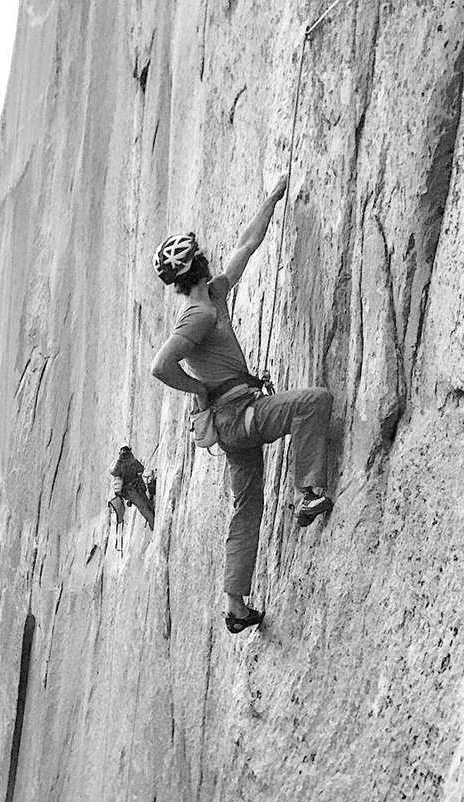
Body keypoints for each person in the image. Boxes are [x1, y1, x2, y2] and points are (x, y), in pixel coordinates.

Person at [150, 175, 334, 634]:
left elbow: (248, 245)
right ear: (199, 262)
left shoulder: (213, 294)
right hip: (237, 414)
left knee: (247, 507)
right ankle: (309, 493)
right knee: (314, 402)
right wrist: (198, 389)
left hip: (232, 420)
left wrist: (271, 199)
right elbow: (161, 365)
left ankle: (236, 604)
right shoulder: (199, 314)